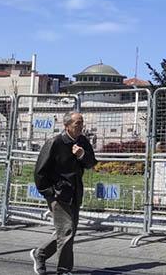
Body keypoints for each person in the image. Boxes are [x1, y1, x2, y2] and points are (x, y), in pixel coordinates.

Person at [30, 111, 97, 275]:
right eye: (77, 124)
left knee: (68, 232)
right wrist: (49, 192)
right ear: (66, 126)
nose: (80, 127)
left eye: (82, 123)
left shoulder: (83, 141)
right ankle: (64, 270)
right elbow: (39, 171)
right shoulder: (55, 142)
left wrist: (82, 155)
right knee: (66, 231)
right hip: (58, 195)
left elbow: (91, 163)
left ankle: (40, 254)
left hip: (75, 192)